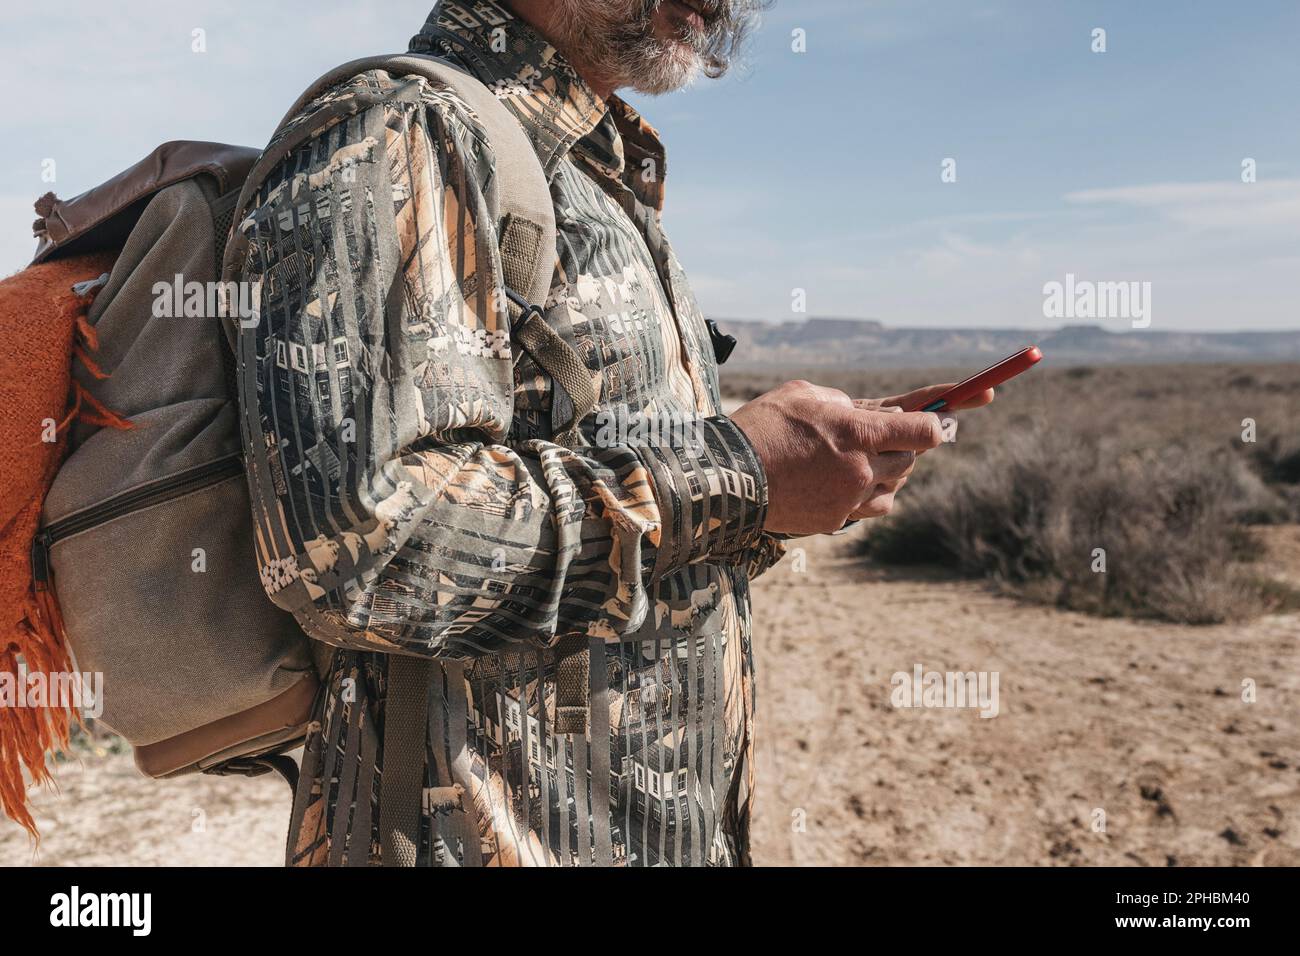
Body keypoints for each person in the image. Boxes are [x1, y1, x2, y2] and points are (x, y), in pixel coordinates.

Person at [236, 0, 992, 867]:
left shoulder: (595, 176)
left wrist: (804, 476)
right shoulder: (400, 130)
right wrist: (736, 476)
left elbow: (643, 523)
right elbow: (357, 550)